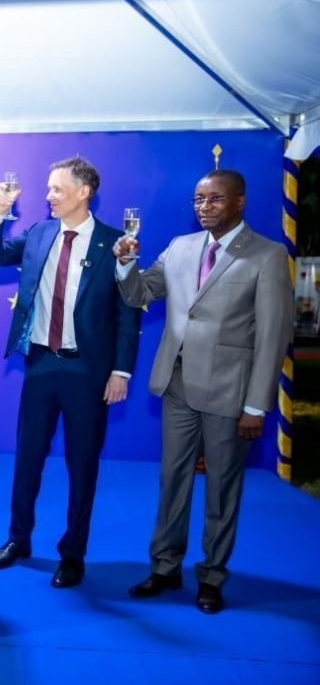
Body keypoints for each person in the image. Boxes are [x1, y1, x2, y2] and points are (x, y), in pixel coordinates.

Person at [114, 169, 293, 614]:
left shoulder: (268, 255)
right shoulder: (180, 246)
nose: (204, 207)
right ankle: (165, 568)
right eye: (198, 199)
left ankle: (212, 576)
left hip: (230, 393)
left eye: (215, 199)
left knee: (221, 489)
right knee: (172, 481)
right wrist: (126, 264)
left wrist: (256, 406)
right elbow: (141, 293)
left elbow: (273, 335)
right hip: (177, 385)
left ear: (239, 201)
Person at [0, 156, 140, 588]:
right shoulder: (38, 233)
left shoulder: (115, 243)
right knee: (27, 458)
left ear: (83, 192)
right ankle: (18, 540)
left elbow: (128, 313)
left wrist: (121, 371)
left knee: (82, 464)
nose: (48, 195)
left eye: (57, 188)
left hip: (88, 370)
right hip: (40, 363)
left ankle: (73, 554)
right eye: (49, 188)